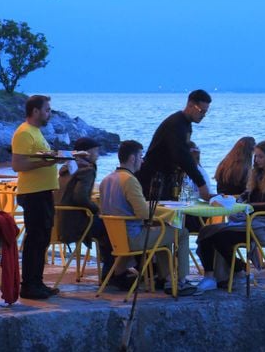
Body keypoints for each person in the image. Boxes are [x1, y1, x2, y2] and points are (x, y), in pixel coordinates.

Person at [99, 140, 196, 295]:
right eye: (140, 156)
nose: (142, 160)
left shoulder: (106, 180)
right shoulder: (130, 180)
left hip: (117, 238)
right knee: (182, 232)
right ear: (132, 158)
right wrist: (165, 212)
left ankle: (167, 278)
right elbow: (144, 213)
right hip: (134, 237)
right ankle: (181, 281)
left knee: (163, 233)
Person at [195, 140, 265, 292]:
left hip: (262, 226)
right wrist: (234, 200)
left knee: (217, 236)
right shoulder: (256, 176)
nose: (256, 160)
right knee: (206, 231)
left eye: (260, 157)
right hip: (248, 222)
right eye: (255, 157)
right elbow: (246, 195)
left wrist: (250, 207)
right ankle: (213, 275)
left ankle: (236, 270)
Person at [10, 94, 61, 300]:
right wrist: (45, 163)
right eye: (47, 109)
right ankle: (29, 285)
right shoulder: (24, 133)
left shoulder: (36, 132)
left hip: (43, 191)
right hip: (33, 193)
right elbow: (17, 164)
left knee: (42, 239)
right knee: (35, 238)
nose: (49, 113)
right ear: (36, 111)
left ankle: (37, 281)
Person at [137, 90, 213, 201]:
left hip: (166, 177)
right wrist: (201, 184)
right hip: (154, 178)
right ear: (190, 105)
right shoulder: (176, 124)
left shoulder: (186, 125)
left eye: (206, 112)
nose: (203, 115)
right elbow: (182, 157)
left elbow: (180, 151)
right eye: (201, 111)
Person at [57, 137, 113, 276]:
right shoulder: (86, 170)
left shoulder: (66, 168)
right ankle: (112, 272)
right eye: (96, 152)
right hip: (75, 223)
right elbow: (80, 197)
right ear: (86, 153)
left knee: (103, 226)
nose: (98, 156)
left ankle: (110, 269)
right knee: (112, 228)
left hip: (59, 221)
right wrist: (96, 208)